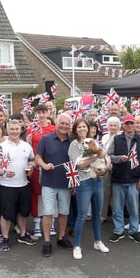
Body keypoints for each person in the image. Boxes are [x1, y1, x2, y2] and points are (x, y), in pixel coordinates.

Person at [68, 118, 110, 259]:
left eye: (84, 127)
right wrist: (95, 157)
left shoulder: (94, 142)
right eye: (79, 127)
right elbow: (78, 165)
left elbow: (104, 159)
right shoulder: (74, 145)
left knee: (97, 215)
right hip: (84, 183)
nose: (82, 129)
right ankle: (77, 246)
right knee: (81, 215)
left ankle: (98, 241)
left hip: (97, 181)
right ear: (75, 129)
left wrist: (103, 170)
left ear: (88, 128)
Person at [0, 119, 37, 251]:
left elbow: (33, 160)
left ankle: (23, 235)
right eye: (11, 129)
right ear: (7, 130)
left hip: (23, 184)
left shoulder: (26, 146)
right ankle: (5, 238)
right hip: (7, 186)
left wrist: (32, 167)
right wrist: (4, 173)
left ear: (20, 130)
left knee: (24, 212)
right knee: (6, 214)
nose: (14, 131)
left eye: (16, 129)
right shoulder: (1, 147)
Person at [35, 113, 74, 256]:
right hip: (49, 182)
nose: (64, 126)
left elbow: (76, 163)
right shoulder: (46, 139)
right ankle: (46, 241)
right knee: (48, 213)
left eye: (67, 124)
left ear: (70, 126)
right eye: (62, 123)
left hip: (66, 183)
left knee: (64, 212)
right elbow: (37, 157)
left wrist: (74, 184)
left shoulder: (73, 142)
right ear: (56, 124)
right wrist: (44, 165)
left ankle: (61, 237)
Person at [107, 114, 140, 244]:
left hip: (134, 180)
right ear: (123, 125)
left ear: (134, 124)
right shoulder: (117, 138)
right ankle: (118, 230)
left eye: (131, 123)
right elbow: (108, 156)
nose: (130, 125)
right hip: (118, 179)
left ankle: (133, 230)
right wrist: (119, 158)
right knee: (117, 208)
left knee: (134, 208)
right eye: (127, 123)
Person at [26, 104, 56, 237]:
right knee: (36, 195)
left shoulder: (53, 129)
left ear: (48, 113)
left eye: (44, 112)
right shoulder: (32, 129)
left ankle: (52, 223)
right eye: (39, 112)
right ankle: (37, 223)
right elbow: (28, 148)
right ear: (36, 113)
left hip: (50, 166)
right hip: (37, 167)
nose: (42, 115)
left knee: (52, 195)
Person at [100, 116, 120, 223]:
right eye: (111, 125)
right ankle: (103, 215)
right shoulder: (104, 137)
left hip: (117, 167)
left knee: (116, 193)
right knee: (105, 192)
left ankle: (116, 217)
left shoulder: (121, 137)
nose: (113, 127)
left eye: (115, 125)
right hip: (106, 167)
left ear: (119, 126)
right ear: (107, 126)